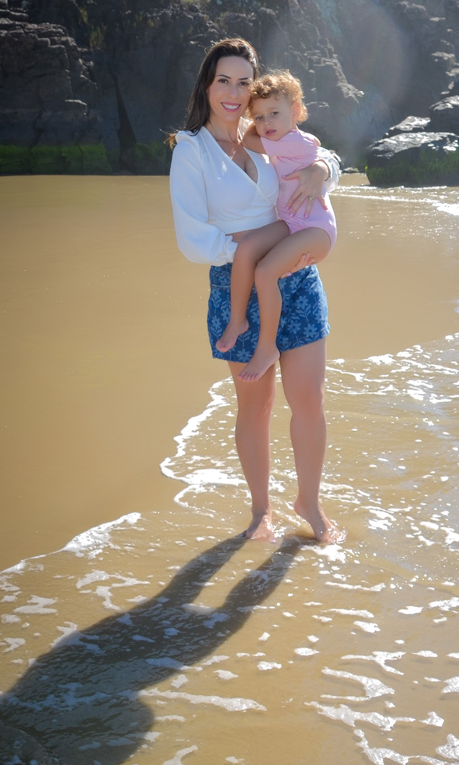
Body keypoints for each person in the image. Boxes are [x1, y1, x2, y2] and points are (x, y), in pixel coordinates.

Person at [169, 38, 342, 544]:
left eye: (244, 81)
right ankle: (260, 511)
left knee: (309, 398)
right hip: (238, 283)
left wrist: (323, 170)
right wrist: (242, 245)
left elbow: (321, 151)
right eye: (224, 79)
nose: (234, 91)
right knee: (256, 407)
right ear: (206, 83)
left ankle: (308, 503)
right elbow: (192, 237)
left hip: (299, 276)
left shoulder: (265, 132)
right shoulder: (191, 149)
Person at [214, 70, 337, 385]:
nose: (266, 123)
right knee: (247, 250)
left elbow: (247, 140)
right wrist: (253, 121)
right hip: (292, 222)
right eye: (259, 116)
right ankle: (238, 321)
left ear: (295, 112)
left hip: (316, 230)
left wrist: (247, 125)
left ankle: (266, 347)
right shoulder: (279, 139)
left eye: (274, 114)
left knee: (265, 271)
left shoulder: (295, 142)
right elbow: (253, 138)